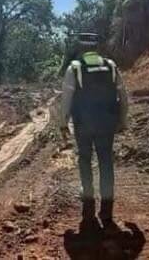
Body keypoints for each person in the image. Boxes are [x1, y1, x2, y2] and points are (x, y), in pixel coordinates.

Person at [59, 32, 128, 233]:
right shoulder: (111, 66)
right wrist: (123, 119)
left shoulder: (75, 68)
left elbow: (66, 99)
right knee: (106, 162)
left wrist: (63, 123)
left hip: (83, 124)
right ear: (97, 48)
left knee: (85, 161)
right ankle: (106, 212)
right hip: (107, 124)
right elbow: (123, 95)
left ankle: (88, 211)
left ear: (80, 48)